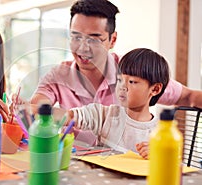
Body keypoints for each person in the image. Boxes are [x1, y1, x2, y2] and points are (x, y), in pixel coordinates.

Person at [30, 0, 202, 110]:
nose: (83, 48)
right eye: (76, 37)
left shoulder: (135, 72)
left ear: (112, 40)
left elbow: (189, 97)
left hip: (126, 164)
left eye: (94, 39)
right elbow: (36, 107)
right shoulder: (58, 76)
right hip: (78, 165)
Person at [66, 48, 170, 159]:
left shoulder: (162, 132)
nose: (122, 87)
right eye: (119, 80)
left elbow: (171, 163)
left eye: (132, 82)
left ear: (155, 89)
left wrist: (158, 155)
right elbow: (71, 116)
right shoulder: (106, 115)